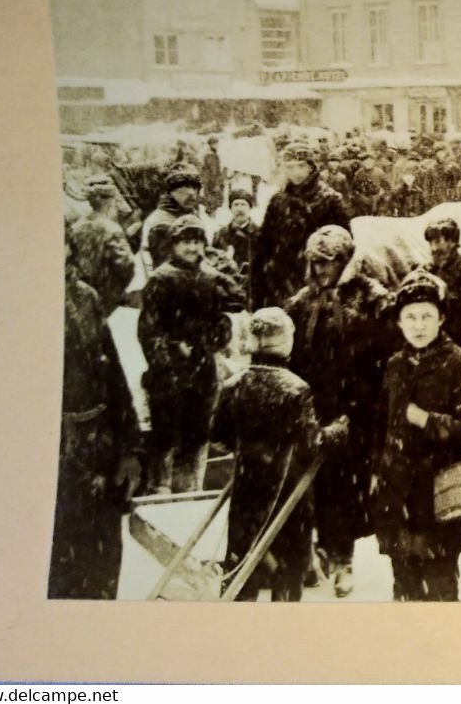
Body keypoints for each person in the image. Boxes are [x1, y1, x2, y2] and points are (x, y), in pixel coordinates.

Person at [283, 225, 394, 598]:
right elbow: (290, 356)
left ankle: (343, 559)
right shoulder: (300, 303)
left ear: (345, 261)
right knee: (310, 487)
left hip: (354, 412)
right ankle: (316, 554)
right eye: (316, 263)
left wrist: (360, 408)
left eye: (329, 263)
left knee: (346, 491)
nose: (322, 271)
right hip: (311, 409)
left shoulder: (369, 298)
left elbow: (383, 355)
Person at [373, 270, 461, 601]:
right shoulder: (394, 365)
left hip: (440, 492)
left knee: (440, 585)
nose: (418, 325)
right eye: (410, 317)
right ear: (399, 322)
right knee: (403, 583)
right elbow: (382, 426)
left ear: (442, 319)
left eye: (426, 316)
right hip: (397, 490)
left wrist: (426, 420)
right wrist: (377, 471)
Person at [214, 308, 333, 602]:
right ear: (285, 341)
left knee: (242, 563)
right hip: (287, 493)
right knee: (289, 570)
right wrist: (336, 433)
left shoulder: (235, 385)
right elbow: (311, 443)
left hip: (246, 490)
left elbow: (218, 436)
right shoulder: (296, 389)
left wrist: (250, 450)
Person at [53, 234, 142, 599]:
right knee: (58, 563)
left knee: (102, 557)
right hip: (52, 457)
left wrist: (130, 448)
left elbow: (114, 378)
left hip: (97, 452)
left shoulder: (86, 297)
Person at [138, 214, 242, 493]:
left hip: (203, 371)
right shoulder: (161, 279)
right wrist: (168, 358)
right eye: (186, 242)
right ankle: (160, 489)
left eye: (197, 242)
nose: (192, 248)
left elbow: (227, 314)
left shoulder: (210, 278)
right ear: (174, 245)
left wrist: (212, 340)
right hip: (169, 375)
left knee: (197, 435)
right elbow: (149, 330)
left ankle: (190, 488)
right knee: (165, 436)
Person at [253, 142, 350, 309]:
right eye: (289, 167)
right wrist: (258, 287)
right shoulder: (277, 201)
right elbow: (264, 244)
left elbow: (345, 246)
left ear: (311, 167)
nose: (295, 172)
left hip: (316, 279)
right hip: (280, 280)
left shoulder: (330, 199)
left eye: (301, 166)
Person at [69, 174, 136, 318]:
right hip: (104, 296)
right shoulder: (112, 229)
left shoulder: (75, 227)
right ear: (109, 201)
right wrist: (115, 293)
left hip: (79, 295)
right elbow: (127, 266)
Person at [142, 163, 203, 269]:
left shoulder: (192, 214)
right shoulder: (160, 222)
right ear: (171, 191)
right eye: (186, 186)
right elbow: (168, 268)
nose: (191, 192)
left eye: (195, 187)